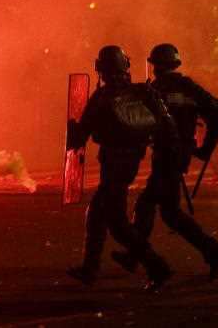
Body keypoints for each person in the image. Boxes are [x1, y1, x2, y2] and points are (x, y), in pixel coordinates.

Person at [111, 43, 218, 277]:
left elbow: (139, 121)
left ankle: (136, 254)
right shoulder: (189, 87)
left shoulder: (155, 89)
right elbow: (216, 113)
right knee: (170, 214)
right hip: (177, 154)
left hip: (167, 155)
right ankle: (216, 254)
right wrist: (204, 149)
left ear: (156, 66)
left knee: (146, 204)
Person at [66, 45, 175, 290]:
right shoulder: (143, 92)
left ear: (100, 69)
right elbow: (166, 125)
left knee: (116, 222)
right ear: (125, 65)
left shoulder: (102, 97)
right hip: (131, 161)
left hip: (113, 163)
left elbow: (81, 136)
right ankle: (90, 268)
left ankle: (157, 266)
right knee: (98, 213)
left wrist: (72, 129)